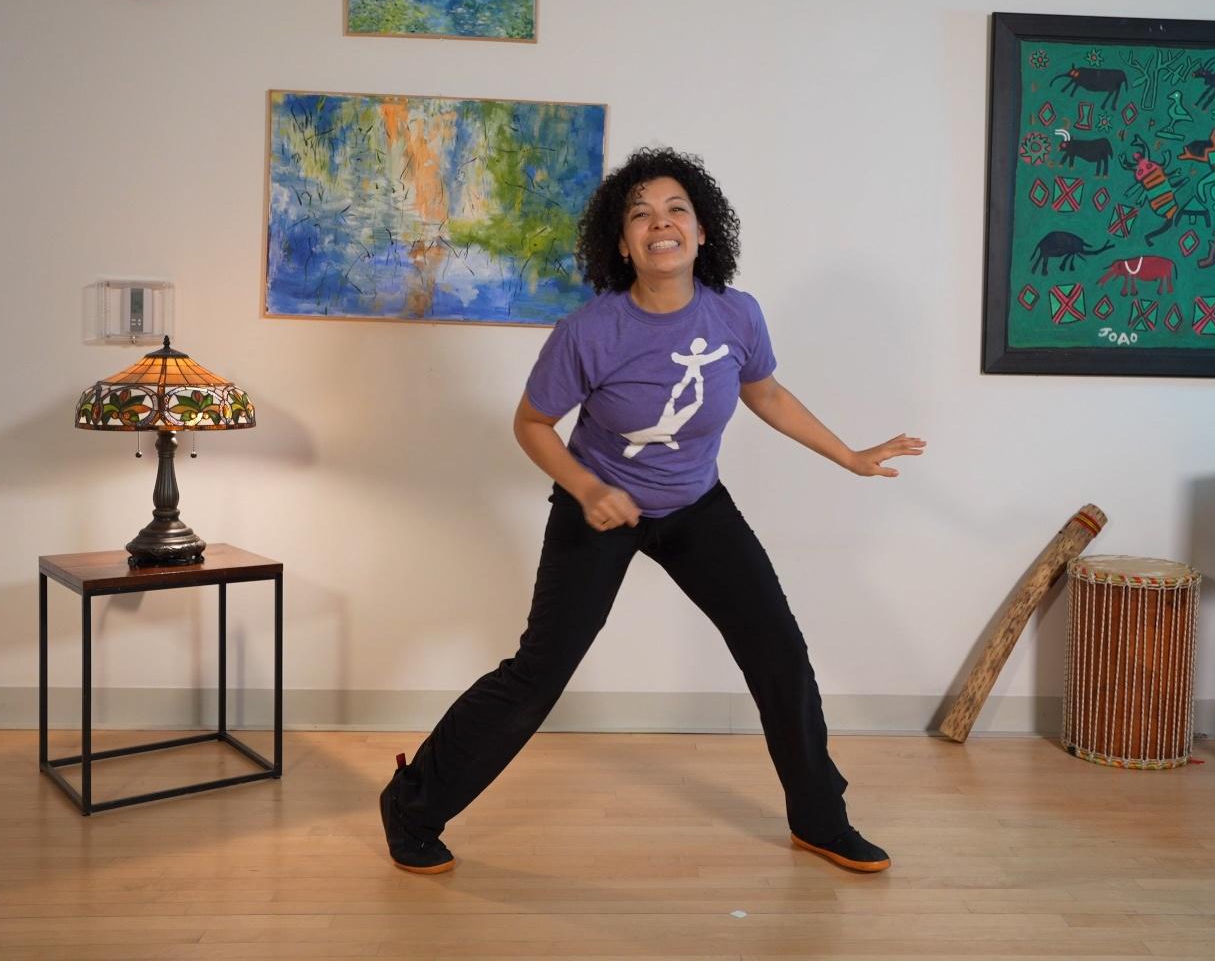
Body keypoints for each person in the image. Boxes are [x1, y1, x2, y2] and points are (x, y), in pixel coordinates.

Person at [379, 147, 925, 875]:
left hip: (697, 505)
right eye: (640, 215)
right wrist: (587, 488)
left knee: (779, 653)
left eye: (676, 211)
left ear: (702, 232)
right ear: (621, 242)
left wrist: (849, 456)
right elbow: (532, 425)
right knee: (538, 674)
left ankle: (820, 819)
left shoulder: (736, 314)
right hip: (600, 506)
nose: (660, 224)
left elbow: (765, 392)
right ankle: (411, 805)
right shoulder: (589, 332)